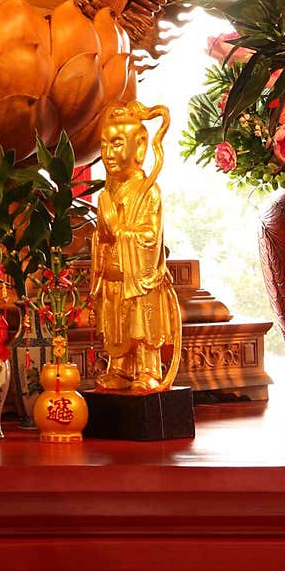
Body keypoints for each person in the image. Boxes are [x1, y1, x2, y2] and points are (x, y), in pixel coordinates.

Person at [90, 100, 181, 393]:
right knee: (117, 324)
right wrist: (102, 237)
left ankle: (147, 370)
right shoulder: (107, 193)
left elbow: (150, 236)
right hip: (115, 277)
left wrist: (120, 231)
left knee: (141, 325)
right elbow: (102, 236)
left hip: (138, 280)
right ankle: (120, 369)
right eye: (105, 145)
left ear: (140, 147)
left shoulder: (147, 191)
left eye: (117, 145)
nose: (109, 154)